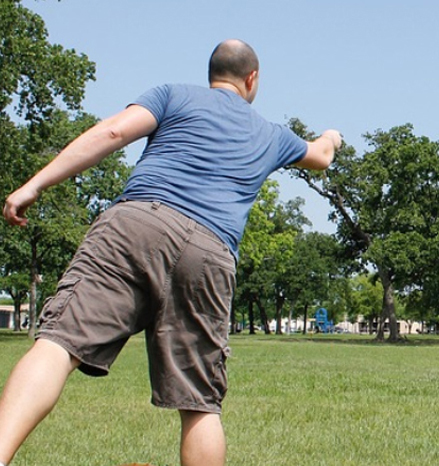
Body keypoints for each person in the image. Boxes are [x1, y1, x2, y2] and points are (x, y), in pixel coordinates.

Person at [0, 39, 341, 466]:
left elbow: (113, 132)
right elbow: (322, 156)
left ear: (212, 73)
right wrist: (331, 135)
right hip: (210, 252)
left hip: (135, 226)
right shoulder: (271, 135)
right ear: (252, 79)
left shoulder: (173, 95)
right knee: (200, 403)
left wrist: (36, 184)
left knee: (57, 344)